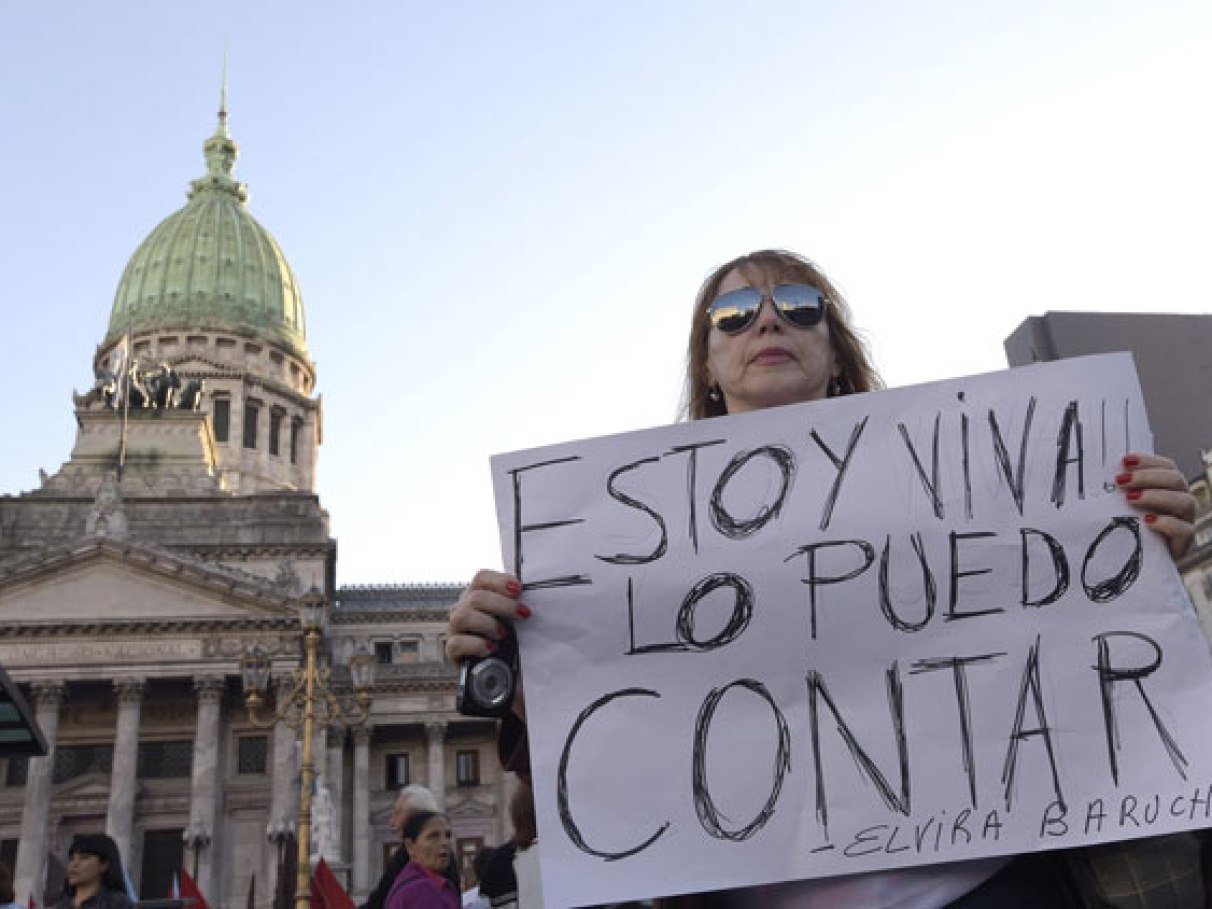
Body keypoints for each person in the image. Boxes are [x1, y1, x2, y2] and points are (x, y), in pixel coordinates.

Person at [444, 250, 1200, 907]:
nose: (767, 322)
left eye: (799, 306)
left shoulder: (981, 484)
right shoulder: (622, 550)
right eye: (734, 312)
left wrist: (1132, 543)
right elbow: (587, 784)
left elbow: (1081, 655)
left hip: (992, 887)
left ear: (836, 351)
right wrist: (518, 662)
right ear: (707, 364)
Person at [364, 784, 460, 909]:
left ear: (415, 817)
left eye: (397, 813)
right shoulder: (415, 880)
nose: (392, 821)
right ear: (411, 846)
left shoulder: (429, 875)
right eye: (434, 836)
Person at [385, 811, 459, 909]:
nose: (445, 842)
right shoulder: (420, 889)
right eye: (433, 836)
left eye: (448, 836)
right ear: (410, 846)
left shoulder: (409, 883)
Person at [60, 833, 133, 909]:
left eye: (84, 858)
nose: (74, 864)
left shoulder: (117, 903)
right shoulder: (62, 904)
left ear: (104, 865)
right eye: (72, 859)